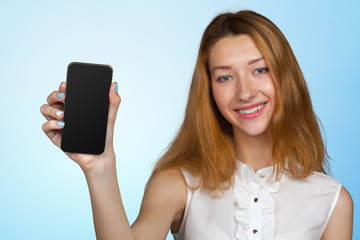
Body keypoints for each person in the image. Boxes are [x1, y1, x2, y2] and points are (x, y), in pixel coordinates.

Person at [40, 10, 353, 240]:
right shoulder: (179, 183)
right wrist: (99, 168)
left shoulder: (332, 200)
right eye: (225, 77)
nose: (245, 92)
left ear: (286, 77)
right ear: (210, 90)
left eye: (260, 70)